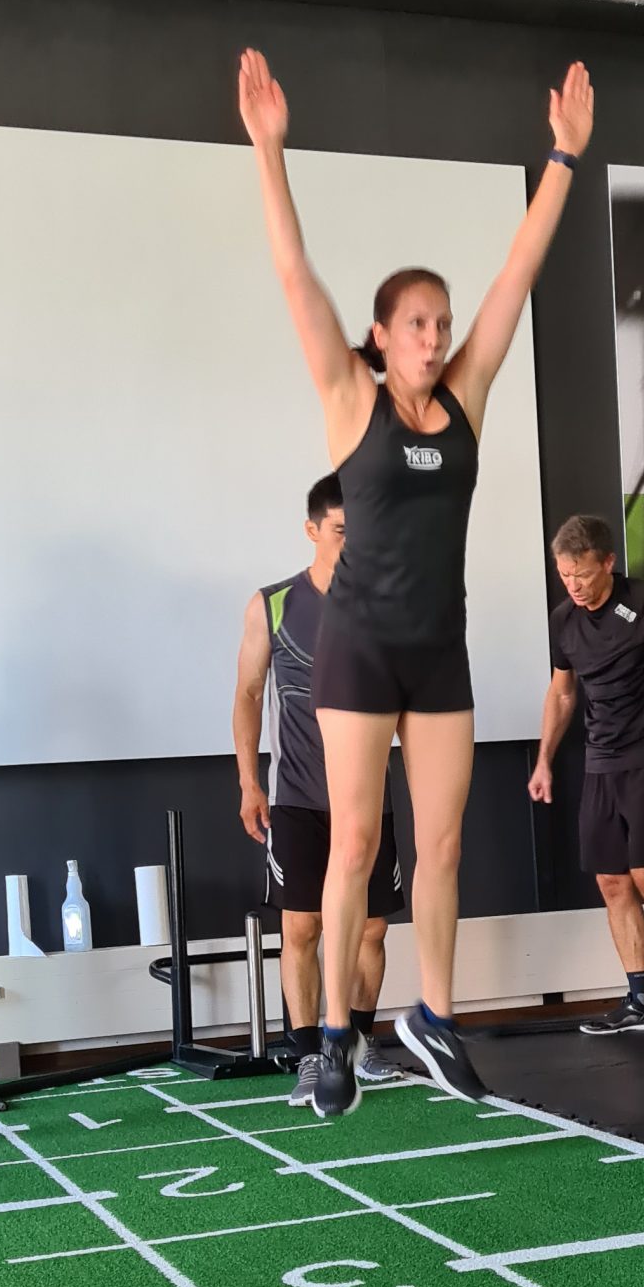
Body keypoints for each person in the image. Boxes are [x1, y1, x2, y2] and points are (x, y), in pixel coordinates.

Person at [239, 43, 593, 1117]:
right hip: (358, 651)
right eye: (418, 324)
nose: (437, 338)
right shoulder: (353, 402)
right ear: (382, 336)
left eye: (443, 323)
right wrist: (268, 151)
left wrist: (562, 160)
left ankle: (435, 1017)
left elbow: (516, 276)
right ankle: (332, 1038)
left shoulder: (467, 400)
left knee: (441, 846)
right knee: (354, 842)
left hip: (439, 651)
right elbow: (294, 275)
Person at [232, 473, 406, 1107]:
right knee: (302, 928)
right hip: (299, 798)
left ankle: (355, 1043)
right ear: (312, 531)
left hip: (370, 798)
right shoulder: (273, 605)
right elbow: (249, 694)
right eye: (341, 531)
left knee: (370, 931)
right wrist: (249, 781)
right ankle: (309, 1054)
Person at [529, 513, 644, 1038]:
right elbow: (562, 693)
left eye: (583, 574)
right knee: (612, 882)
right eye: (565, 575)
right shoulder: (563, 620)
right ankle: (642, 998)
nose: (574, 585)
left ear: (608, 562)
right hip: (600, 762)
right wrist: (544, 759)